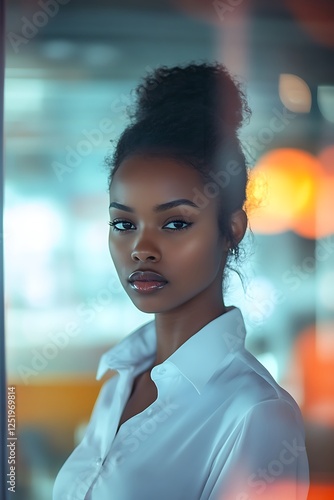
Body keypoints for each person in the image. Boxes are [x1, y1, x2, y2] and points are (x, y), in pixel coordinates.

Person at [53, 62, 309, 499]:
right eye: (123, 224)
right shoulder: (121, 380)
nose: (141, 249)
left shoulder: (257, 414)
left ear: (231, 229)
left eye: (174, 224)